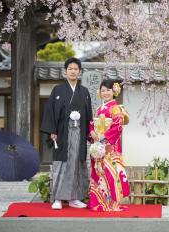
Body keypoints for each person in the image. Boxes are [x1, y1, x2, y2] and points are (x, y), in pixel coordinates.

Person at [41, 57, 92, 210]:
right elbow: (50, 111)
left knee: (76, 163)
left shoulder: (84, 91)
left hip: (79, 133)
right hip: (62, 132)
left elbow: (88, 114)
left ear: (80, 72)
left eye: (76, 69)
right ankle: (57, 198)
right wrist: (52, 130)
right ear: (65, 72)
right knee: (61, 164)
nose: (73, 71)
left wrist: (91, 132)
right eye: (70, 69)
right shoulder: (58, 90)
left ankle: (74, 198)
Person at [88, 80, 130, 211]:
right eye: (103, 90)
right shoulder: (99, 109)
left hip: (109, 146)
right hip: (98, 143)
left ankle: (110, 203)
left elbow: (118, 125)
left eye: (108, 90)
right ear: (99, 93)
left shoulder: (116, 108)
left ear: (114, 91)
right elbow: (91, 123)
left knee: (109, 172)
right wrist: (92, 132)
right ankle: (97, 202)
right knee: (97, 171)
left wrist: (104, 137)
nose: (105, 93)